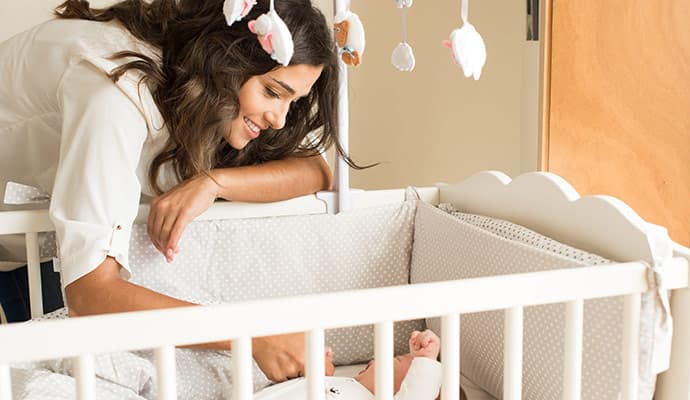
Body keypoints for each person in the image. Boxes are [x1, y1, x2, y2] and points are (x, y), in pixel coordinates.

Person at [0, 0, 356, 382]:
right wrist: (250, 334)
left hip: (41, 242)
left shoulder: (200, 96)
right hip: (25, 242)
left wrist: (214, 183)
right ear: (225, 63)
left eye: (293, 101)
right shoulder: (115, 92)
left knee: (88, 369)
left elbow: (317, 170)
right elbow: (90, 294)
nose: (279, 118)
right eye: (273, 92)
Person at [255, 330, 443, 399]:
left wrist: (426, 359)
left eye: (397, 360)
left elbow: (420, 391)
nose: (374, 360)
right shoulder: (343, 384)